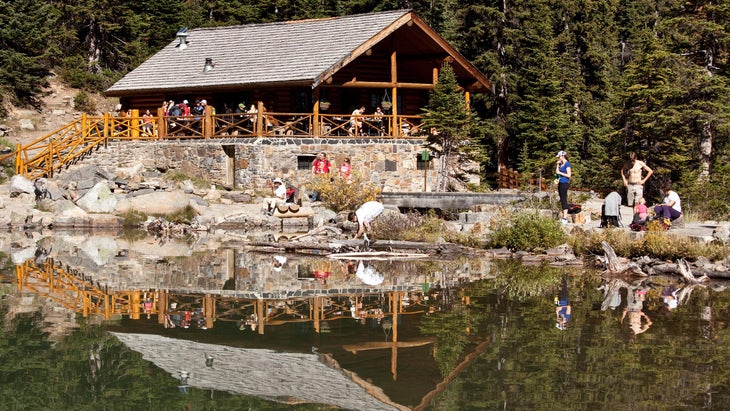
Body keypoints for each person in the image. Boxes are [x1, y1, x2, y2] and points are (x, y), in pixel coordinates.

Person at [555, 150, 572, 224]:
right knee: (562, 199)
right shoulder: (561, 164)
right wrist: (557, 165)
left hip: (565, 183)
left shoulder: (567, 164)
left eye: (559, 157)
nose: (558, 158)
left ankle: (565, 218)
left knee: (564, 199)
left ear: (562, 156)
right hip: (560, 183)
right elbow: (557, 172)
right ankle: (564, 217)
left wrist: (560, 173)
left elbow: (569, 175)